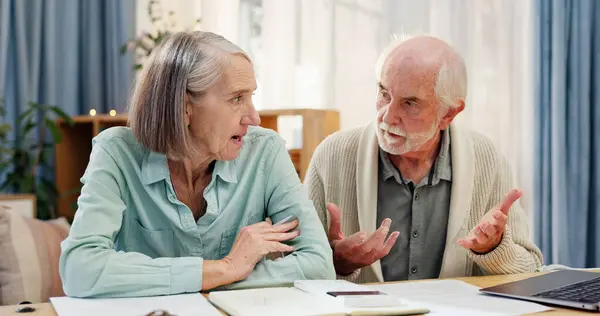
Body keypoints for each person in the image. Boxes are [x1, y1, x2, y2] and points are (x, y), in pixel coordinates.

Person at [59, 31, 335, 298]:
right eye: (237, 98)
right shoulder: (117, 152)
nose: (253, 117)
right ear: (184, 107)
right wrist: (225, 268)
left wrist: (219, 278)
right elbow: (80, 270)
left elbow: (317, 265)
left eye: (251, 96)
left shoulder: (265, 151)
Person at [304, 35, 543, 283]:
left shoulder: (487, 159)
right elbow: (288, 271)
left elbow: (531, 268)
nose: (387, 117)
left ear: (448, 114)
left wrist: (493, 249)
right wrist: (337, 262)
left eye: (409, 103)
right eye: (384, 94)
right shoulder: (332, 154)